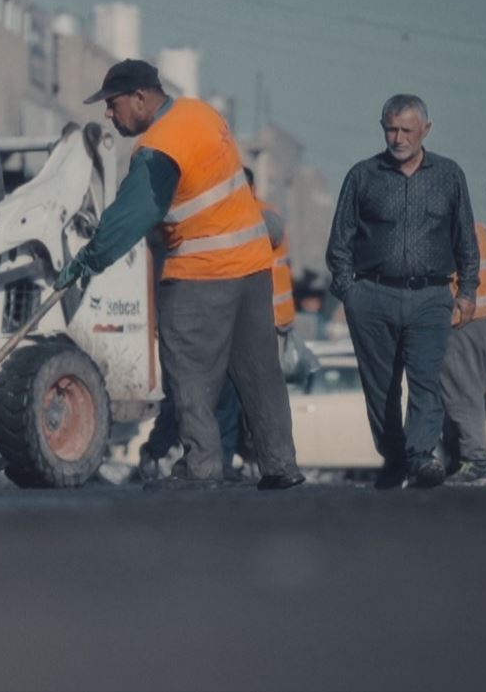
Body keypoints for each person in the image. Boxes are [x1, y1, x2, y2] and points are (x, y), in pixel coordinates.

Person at [57, 59, 304, 491]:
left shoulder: (159, 147)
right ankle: (280, 463)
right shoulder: (200, 113)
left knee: (188, 370)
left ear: (139, 97)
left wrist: (88, 260)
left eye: (113, 104)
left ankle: (202, 465)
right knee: (259, 372)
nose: (109, 115)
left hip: (202, 272)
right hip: (251, 267)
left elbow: (133, 213)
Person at [327, 94, 479, 489]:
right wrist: (351, 294)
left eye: (407, 130)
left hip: (431, 297)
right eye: (391, 129)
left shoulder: (449, 176)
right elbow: (339, 243)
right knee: (381, 388)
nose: (398, 138)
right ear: (382, 128)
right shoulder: (363, 176)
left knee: (426, 380)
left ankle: (421, 456)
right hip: (372, 296)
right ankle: (395, 457)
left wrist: (467, 292)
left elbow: (466, 240)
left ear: (426, 129)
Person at [442, 220, 486, 485]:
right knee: (476, 389)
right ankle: (460, 456)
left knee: (461, 390)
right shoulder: (480, 229)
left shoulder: (446, 227)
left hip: (462, 319)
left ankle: (474, 457)